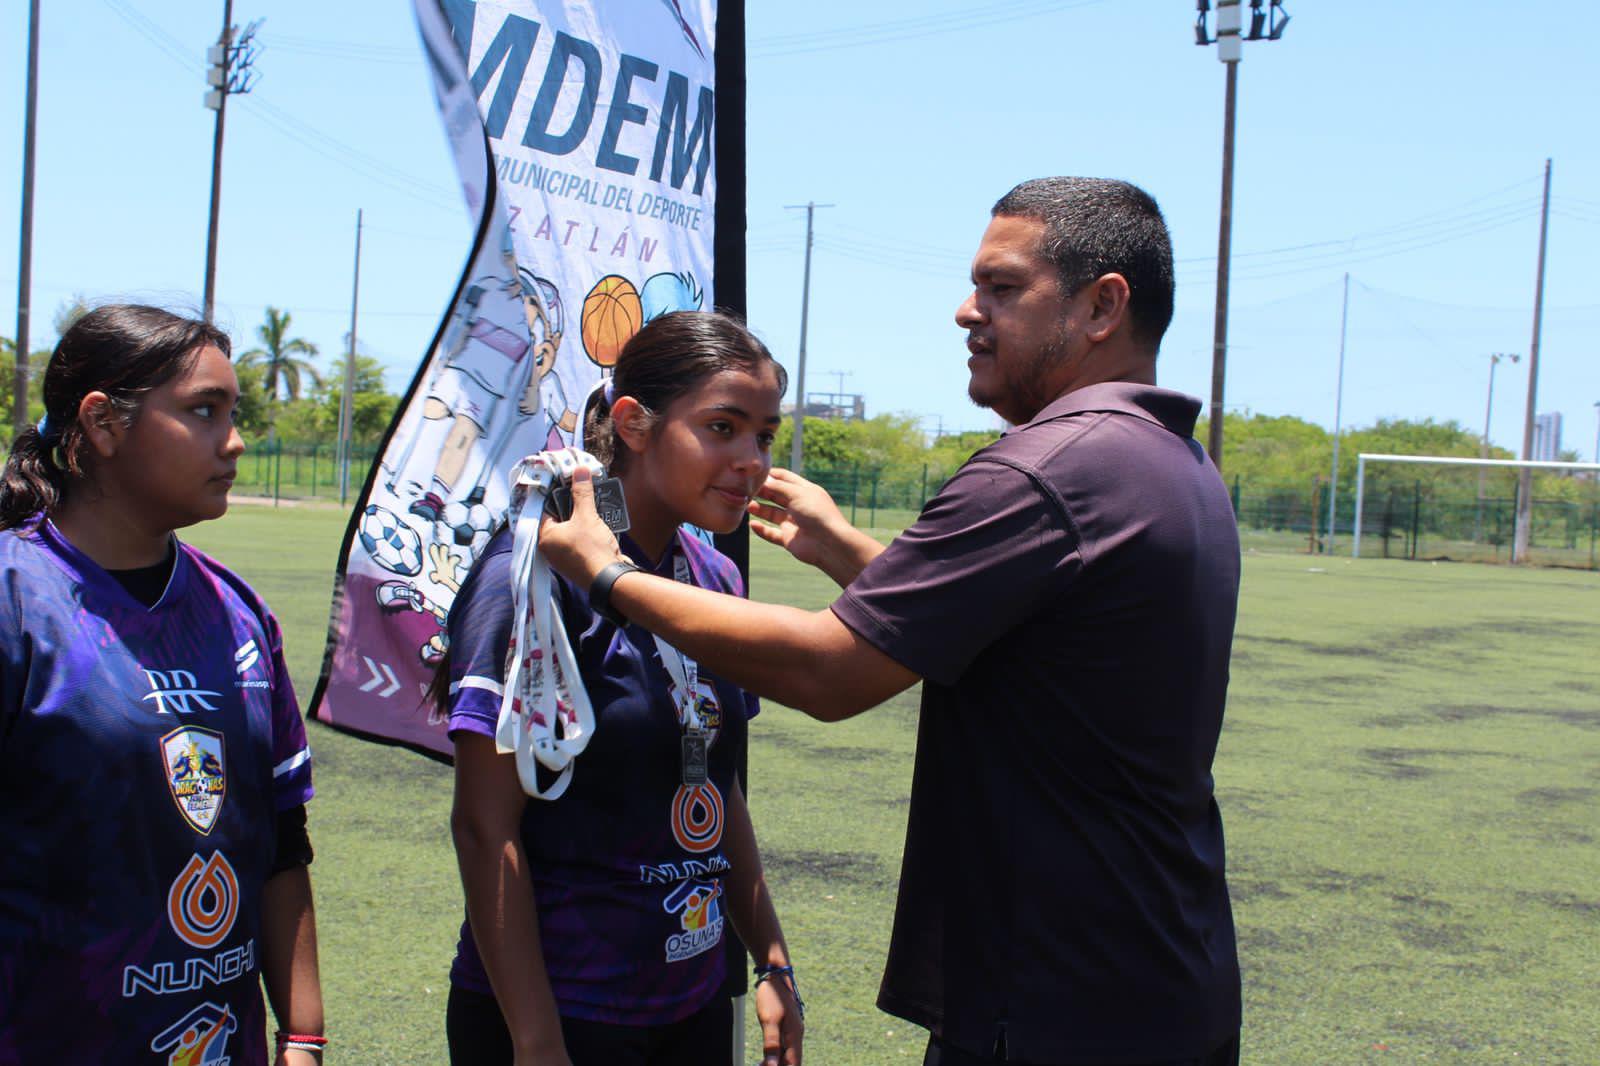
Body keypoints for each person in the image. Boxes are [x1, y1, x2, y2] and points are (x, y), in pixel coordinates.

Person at [536, 178, 1244, 1066]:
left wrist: (607, 575)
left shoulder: (1044, 471)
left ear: (1103, 305)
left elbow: (828, 673)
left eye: (1002, 287)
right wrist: (846, 553)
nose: (966, 310)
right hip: (1169, 977)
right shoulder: (1176, 467)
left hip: (1057, 999)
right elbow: (1010, 652)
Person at [438, 310, 805, 1066]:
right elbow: (484, 826)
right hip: (565, 1010)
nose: (751, 461)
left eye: (764, 436)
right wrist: (536, 1040)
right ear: (635, 423)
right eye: (722, 428)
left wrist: (770, 957)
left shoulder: (716, 578)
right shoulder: (532, 574)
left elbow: (717, 785)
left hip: (692, 1003)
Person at [0, 305, 325, 1064]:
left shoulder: (240, 615)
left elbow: (282, 840)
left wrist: (303, 1038)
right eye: (203, 412)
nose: (235, 440)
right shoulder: (17, 599)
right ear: (104, 423)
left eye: (233, 413)